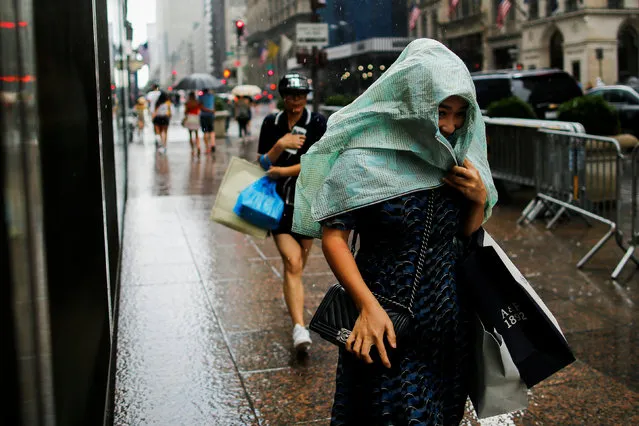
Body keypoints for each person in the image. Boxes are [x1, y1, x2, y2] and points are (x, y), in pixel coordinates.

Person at [292, 39, 498, 424]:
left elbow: (464, 235)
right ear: (414, 101)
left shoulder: (458, 156)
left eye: (459, 114)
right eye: (441, 112)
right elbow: (334, 237)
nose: (450, 125)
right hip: (383, 317)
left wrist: (477, 197)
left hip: (447, 319)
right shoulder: (364, 155)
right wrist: (368, 307)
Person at [257, 73, 328, 352]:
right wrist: (279, 146)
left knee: (298, 264)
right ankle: (300, 327)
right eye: (290, 95)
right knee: (293, 263)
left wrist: (283, 170)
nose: (295, 101)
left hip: (308, 202)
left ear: (307, 97)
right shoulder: (270, 123)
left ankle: (294, 301)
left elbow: (320, 162)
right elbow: (261, 162)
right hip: (278, 204)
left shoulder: (317, 123)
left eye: (300, 95)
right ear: (282, 96)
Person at [183, 91, 202, 157]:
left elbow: (185, 112)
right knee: (197, 134)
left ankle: (193, 150)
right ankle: (198, 146)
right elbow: (200, 109)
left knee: (190, 135)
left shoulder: (188, 103)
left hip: (190, 118)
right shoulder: (197, 102)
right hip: (196, 118)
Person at [199, 88, 216, 153]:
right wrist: (212, 111)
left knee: (205, 132)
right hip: (210, 116)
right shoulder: (211, 96)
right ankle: (213, 144)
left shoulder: (201, 97)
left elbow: (201, 107)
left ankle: (207, 147)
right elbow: (213, 106)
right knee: (211, 131)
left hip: (203, 116)